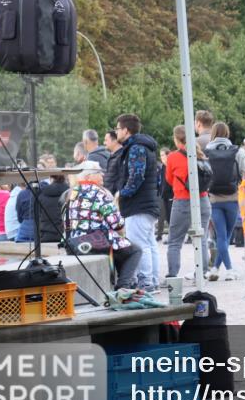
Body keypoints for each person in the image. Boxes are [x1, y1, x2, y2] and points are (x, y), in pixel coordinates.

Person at [62, 161, 141, 289]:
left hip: (74, 243)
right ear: (88, 177)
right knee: (134, 250)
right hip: (96, 242)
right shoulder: (99, 193)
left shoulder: (71, 193)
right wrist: (121, 234)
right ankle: (124, 287)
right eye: (98, 172)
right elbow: (117, 223)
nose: (102, 175)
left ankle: (125, 287)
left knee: (122, 248)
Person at [114, 113, 162, 290]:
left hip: (138, 205)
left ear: (126, 130)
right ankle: (153, 281)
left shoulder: (136, 148)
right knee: (149, 245)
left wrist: (122, 193)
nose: (116, 132)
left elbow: (136, 175)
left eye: (117, 128)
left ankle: (146, 283)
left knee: (139, 246)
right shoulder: (145, 146)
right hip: (148, 203)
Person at [166, 125, 212, 279]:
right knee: (201, 238)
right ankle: (203, 272)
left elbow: (169, 179)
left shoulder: (173, 157)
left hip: (182, 202)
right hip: (203, 200)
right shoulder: (200, 154)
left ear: (177, 139)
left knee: (175, 241)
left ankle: (173, 276)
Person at [205, 121, 245, 281]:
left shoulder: (207, 151)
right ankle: (230, 270)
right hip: (233, 198)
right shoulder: (237, 151)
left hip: (214, 199)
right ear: (227, 134)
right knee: (225, 237)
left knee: (221, 237)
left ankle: (216, 269)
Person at [37, 173, 69, 244]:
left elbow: (38, 214)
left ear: (51, 178)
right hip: (65, 235)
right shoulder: (70, 194)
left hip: (46, 235)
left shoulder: (42, 194)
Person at [156, 147, 175, 242]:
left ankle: (172, 236)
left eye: (163, 155)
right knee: (163, 215)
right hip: (163, 194)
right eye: (161, 155)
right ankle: (159, 235)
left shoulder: (171, 166)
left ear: (168, 155)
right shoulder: (162, 167)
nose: (161, 157)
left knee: (171, 216)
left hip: (172, 195)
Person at [102, 129, 123, 194]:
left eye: (106, 140)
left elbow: (122, 179)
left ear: (115, 141)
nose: (104, 143)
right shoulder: (112, 157)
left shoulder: (121, 156)